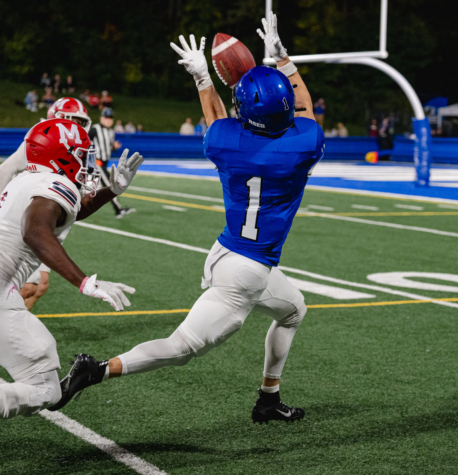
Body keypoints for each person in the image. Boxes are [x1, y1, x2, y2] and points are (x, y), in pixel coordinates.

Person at [52, 12, 325, 425]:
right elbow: (302, 105)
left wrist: (202, 77)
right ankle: (97, 369)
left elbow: (217, 118)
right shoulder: (305, 143)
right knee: (181, 348)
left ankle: (268, 399)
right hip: (247, 272)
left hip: (230, 253)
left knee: (293, 311)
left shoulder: (227, 144)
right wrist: (283, 61)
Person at [0, 118, 143, 420]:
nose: (85, 161)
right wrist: (84, 282)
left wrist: (111, 191)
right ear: (61, 153)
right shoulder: (56, 183)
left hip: (5, 289)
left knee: (46, 382)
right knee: (45, 389)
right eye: (81, 153)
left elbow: (63, 213)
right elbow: (36, 230)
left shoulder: (26, 180)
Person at [0, 97, 93, 310]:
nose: (77, 126)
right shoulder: (47, 140)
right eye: (72, 120)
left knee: (39, 287)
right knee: (26, 287)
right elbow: (6, 169)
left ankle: (14, 331)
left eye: (81, 121)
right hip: (27, 222)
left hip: (48, 219)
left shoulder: (72, 145)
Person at [89, 108, 135, 219]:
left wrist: (113, 147)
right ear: (101, 118)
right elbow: (85, 143)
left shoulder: (110, 132)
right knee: (111, 185)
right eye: (106, 117)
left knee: (97, 188)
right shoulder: (94, 130)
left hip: (104, 163)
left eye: (110, 118)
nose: (108, 120)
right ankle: (118, 209)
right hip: (97, 162)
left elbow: (108, 148)